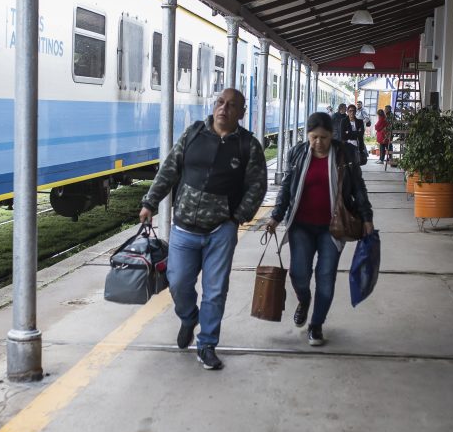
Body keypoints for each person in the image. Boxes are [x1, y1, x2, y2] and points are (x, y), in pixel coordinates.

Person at [139, 88, 267, 370]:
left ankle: (207, 344)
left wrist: (237, 218)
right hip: (184, 229)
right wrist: (150, 202)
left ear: (241, 113)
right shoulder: (193, 134)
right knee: (178, 280)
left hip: (221, 231)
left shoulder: (248, 145)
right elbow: (169, 170)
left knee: (215, 290)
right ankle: (188, 317)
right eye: (220, 102)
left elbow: (258, 186)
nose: (224, 108)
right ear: (214, 105)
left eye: (232, 105)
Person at [264, 112, 374, 345]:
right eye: (313, 137)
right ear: (308, 135)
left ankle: (316, 325)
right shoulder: (297, 153)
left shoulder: (345, 154)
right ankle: (304, 300)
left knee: (326, 276)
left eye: (323, 138)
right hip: (301, 226)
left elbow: (358, 189)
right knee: (298, 274)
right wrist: (275, 217)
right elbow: (286, 188)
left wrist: (367, 218)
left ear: (331, 135)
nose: (318, 143)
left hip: (332, 228)